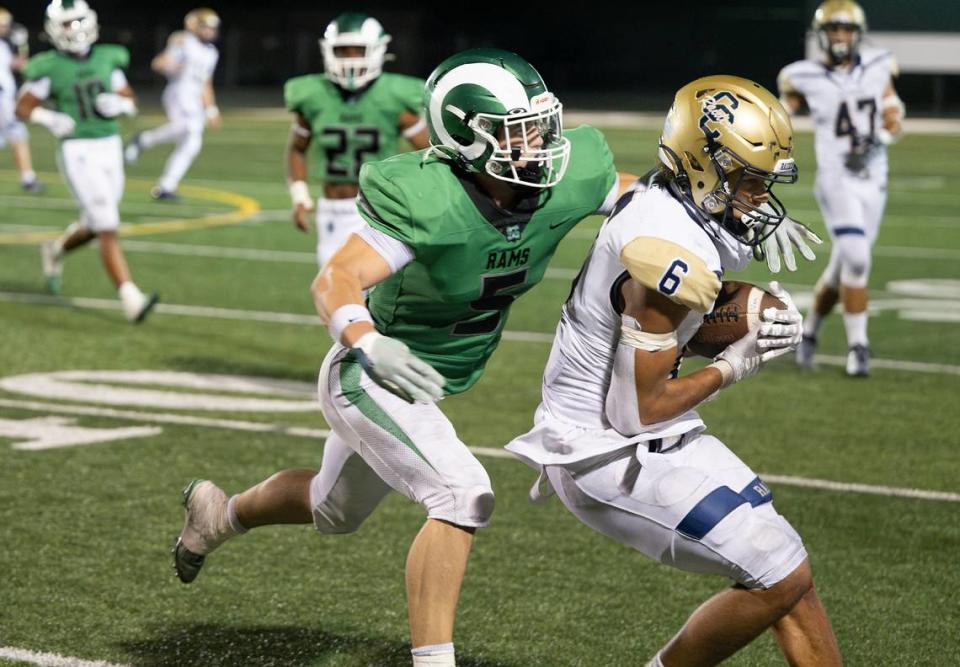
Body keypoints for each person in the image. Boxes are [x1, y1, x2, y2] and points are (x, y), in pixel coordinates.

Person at [173, 48, 636, 667]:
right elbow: (334, 281)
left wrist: (716, 225)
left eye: (540, 127)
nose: (537, 145)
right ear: (465, 139)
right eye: (516, 133)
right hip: (369, 373)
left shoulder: (568, 176)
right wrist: (368, 340)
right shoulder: (426, 196)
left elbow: (641, 204)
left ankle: (217, 517)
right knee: (464, 493)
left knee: (331, 509)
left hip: (429, 380)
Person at [506, 75, 842, 667]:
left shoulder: (670, 190)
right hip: (600, 448)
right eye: (748, 180)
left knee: (790, 575)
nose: (759, 198)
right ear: (705, 167)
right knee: (779, 570)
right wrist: (737, 363)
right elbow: (637, 410)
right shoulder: (670, 256)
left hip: (645, 428)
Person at [779, 0, 904, 376]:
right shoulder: (802, 75)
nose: (839, 36)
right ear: (822, 35)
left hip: (874, 178)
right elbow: (781, 116)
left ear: (857, 34)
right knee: (858, 258)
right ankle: (859, 347)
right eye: (832, 29)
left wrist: (880, 134)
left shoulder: (879, 66)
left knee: (843, 266)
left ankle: (810, 333)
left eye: (845, 29)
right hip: (836, 180)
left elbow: (893, 113)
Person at [18, 0, 158, 322]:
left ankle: (55, 250)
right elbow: (21, 107)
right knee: (107, 224)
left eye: (79, 21)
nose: (75, 29)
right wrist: (45, 116)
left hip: (110, 146)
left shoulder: (109, 57)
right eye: (67, 24)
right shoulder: (49, 65)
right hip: (77, 150)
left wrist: (123, 106)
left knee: (96, 224)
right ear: (55, 29)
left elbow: (130, 99)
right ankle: (130, 296)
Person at [284, 12, 430, 267]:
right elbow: (297, 148)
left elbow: (432, 153)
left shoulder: (395, 97)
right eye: (342, 51)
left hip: (379, 209)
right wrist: (299, 196)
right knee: (332, 294)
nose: (350, 59)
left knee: (364, 296)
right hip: (331, 208)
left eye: (358, 50)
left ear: (377, 51)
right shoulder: (313, 95)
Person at [123, 8, 221, 201]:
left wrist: (211, 109)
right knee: (189, 128)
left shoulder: (212, 52)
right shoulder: (184, 41)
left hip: (195, 97)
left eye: (213, 28)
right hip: (179, 91)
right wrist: (171, 65)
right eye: (207, 27)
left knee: (192, 143)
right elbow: (159, 63)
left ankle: (166, 185)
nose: (210, 31)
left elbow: (206, 83)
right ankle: (143, 141)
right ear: (195, 26)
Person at [0, 7, 42, 192]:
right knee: (18, 134)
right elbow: (21, 66)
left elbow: (18, 65)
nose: (5, 28)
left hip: (5, 97)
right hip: (2, 98)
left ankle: (28, 178)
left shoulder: (4, 44)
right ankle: (28, 178)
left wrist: (22, 50)